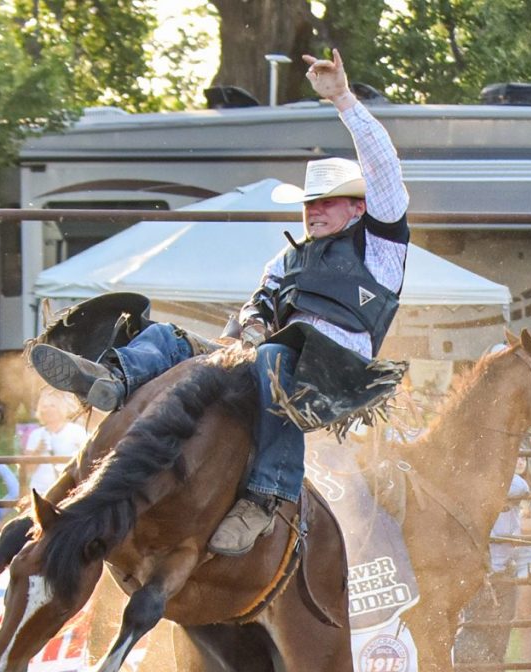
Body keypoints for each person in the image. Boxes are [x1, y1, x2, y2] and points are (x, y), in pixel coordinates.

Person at [30, 49, 409, 556]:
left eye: (325, 202)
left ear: (358, 208)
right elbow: (258, 304)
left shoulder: (380, 247)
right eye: (308, 203)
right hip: (273, 357)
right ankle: (112, 380)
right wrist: (249, 327)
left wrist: (343, 98)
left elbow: (384, 167)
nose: (313, 211)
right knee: (169, 339)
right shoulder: (285, 261)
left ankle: (266, 494)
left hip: (338, 370)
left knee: (275, 359)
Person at [455, 466, 531, 672]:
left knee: (491, 654)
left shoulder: (507, 482)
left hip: (502, 579)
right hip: (479, 580)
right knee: (470, 647)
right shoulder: (473, 480)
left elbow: (519, 488)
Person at [24, 390, 88, 495]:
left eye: (52, 406)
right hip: (40, 490)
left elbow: (88, 458)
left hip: (69, 489)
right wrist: (37, 451)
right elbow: (27, 469)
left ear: (60, 408)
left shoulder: (77, 431)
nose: (48, 410)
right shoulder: (36, 435)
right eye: (45, 406)